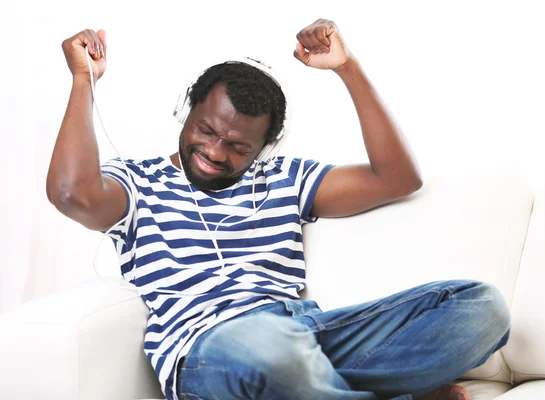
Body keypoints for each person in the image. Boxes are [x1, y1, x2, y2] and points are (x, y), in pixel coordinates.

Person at [47, 18, 510, 400]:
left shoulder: (283, 178)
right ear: (184, 111)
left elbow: (398, 178)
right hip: (214, 351)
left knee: (480, 307)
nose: (213, 151)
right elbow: (70, 193)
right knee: (267, 349)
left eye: (236, 146)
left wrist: (347, 68)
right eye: (205, 130)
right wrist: (83, 80)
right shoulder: (137, 181)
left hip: (306, 333)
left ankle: (323, 389)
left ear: (264, 149)